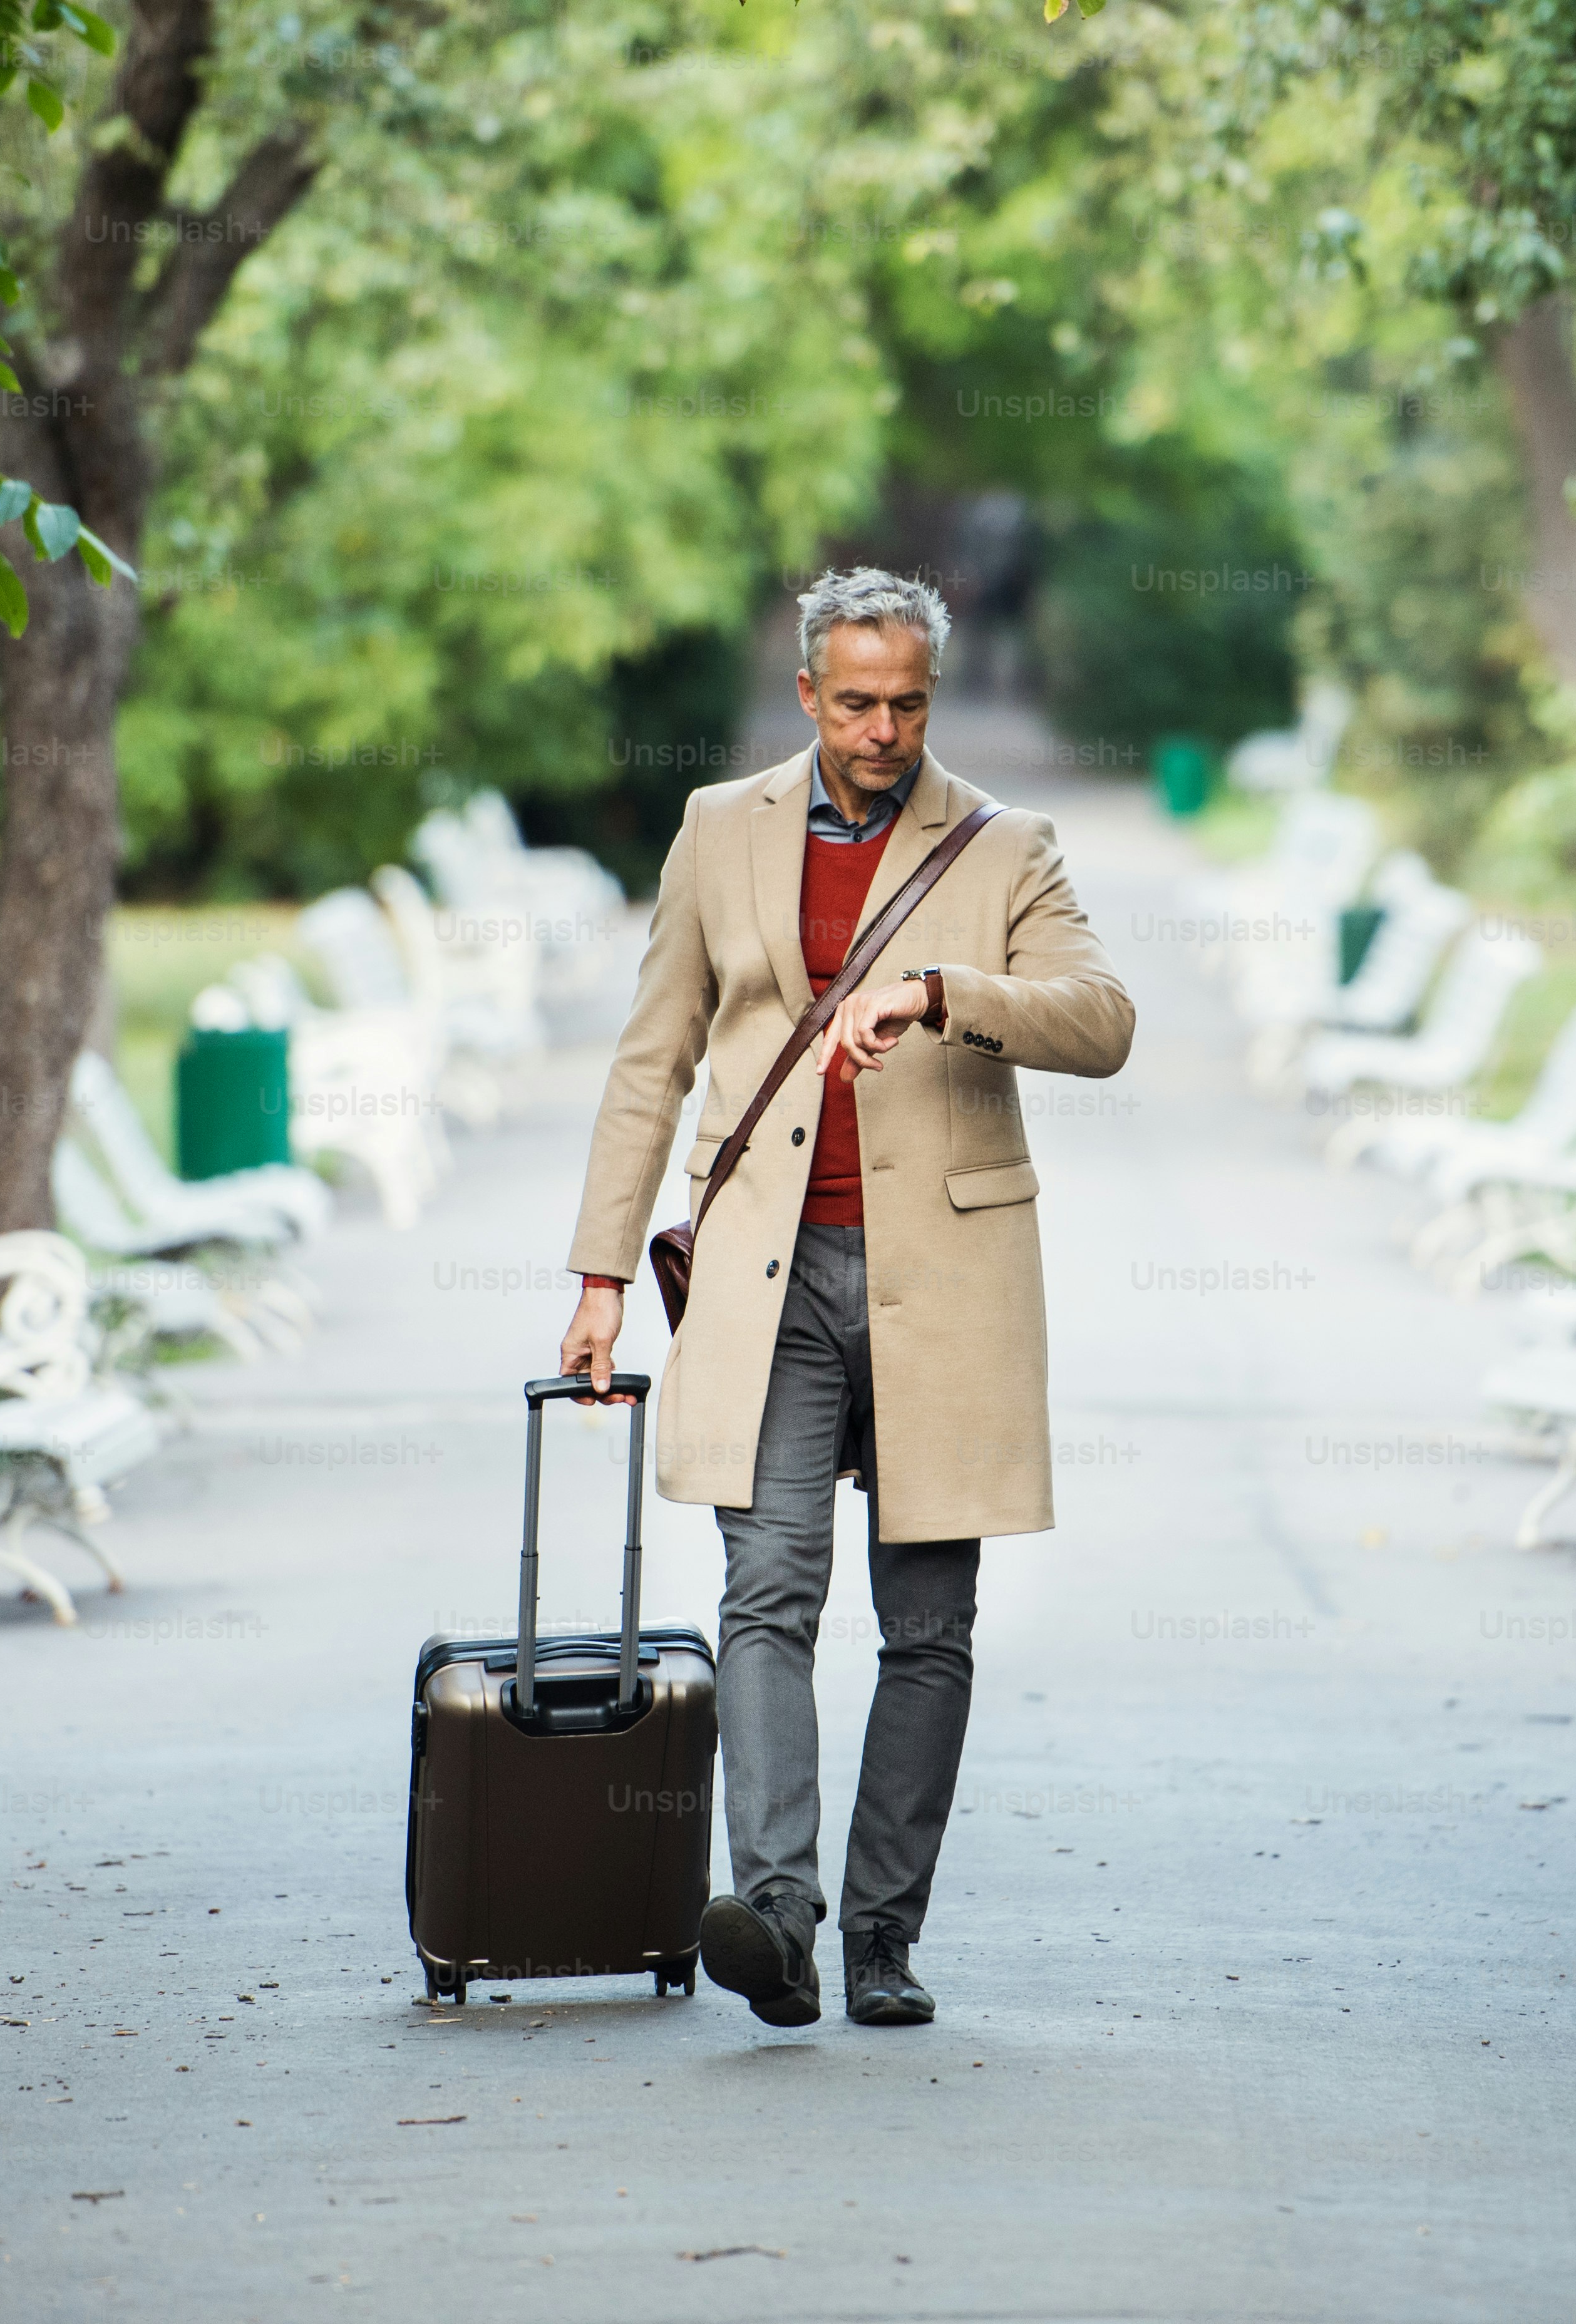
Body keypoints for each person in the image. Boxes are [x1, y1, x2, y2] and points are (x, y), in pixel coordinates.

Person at [557, 567, 1134, 2028]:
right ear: (808, 693)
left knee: (930, 1623)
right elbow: (653, 1061)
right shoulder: (716, 830)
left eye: (910, 702)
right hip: (769, 1272)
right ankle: (784, 1915)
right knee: (768, 1591)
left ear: (931, 694)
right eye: (858, 700)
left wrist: (946, 987)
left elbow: (1103, 1020)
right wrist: (600, 1276)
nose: (885, 729)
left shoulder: (1007, 847)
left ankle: (885, 1934)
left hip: (948, 1282)